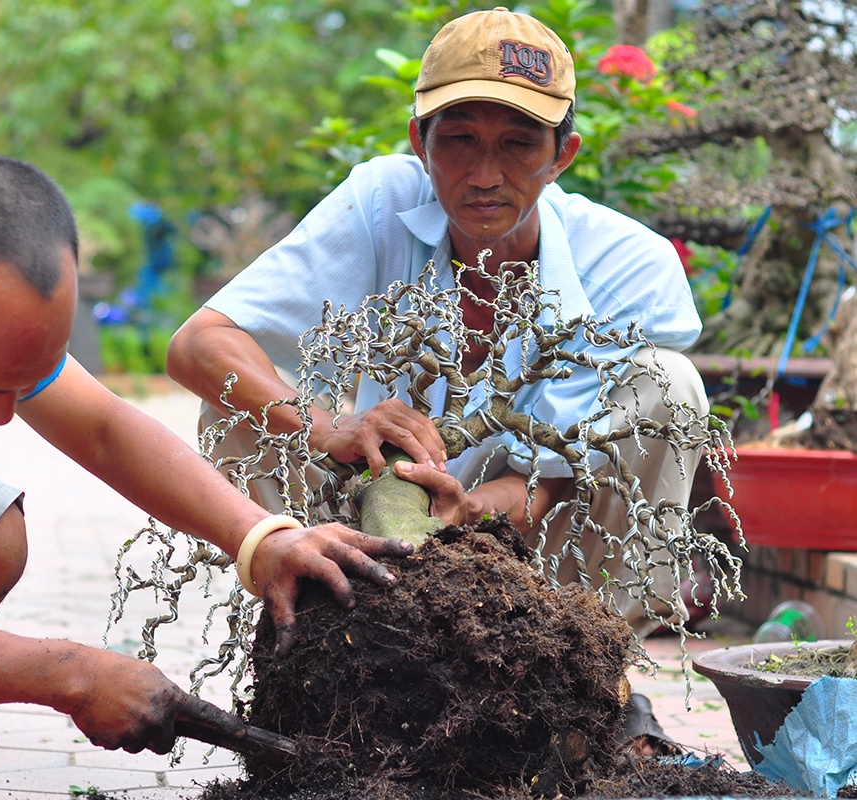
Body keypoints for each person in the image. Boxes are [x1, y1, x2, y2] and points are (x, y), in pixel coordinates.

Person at [0, 156, 414, 800]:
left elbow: (101, 428)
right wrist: (71, 675)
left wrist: (261, 538)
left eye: (19, 385)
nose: (2, 416)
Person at [167, 8, 707, 754]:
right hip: (361, 524)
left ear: (562, 155)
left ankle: (587, 673)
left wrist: (467, 516)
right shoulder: (377, 201)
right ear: (420, 143)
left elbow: (549, 480)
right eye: (458, 140)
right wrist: (332, 429)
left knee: (668, 387)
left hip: (535, 556)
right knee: (232, 402)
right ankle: (323, 636)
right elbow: (198, 344)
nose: (484, 175)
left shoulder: (626, 266)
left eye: (517, 145)